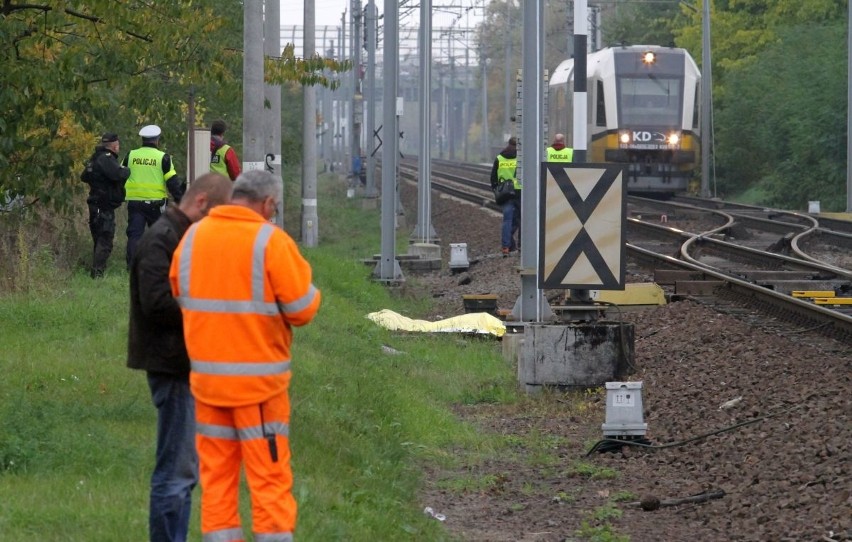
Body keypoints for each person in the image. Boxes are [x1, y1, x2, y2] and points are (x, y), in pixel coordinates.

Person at [169, 169, 321, 542]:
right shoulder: (270, 241)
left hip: (207, 387)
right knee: (268, 481)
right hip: (258, 388)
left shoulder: (192, 238)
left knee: (216, 482)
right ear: (268, 203)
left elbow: (178, 292)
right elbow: (302, 309)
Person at [128, 172, 233, 542]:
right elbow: (155, 302)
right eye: (215, 216)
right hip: (170, 365)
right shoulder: (161, 238)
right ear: (202, 203)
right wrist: (207, 308)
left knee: (185, 471)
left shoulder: (183, 235)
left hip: (187, 364)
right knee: (175, 472)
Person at [123, 124, 185, 268]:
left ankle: (132, 266)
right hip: (155, 205)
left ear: (142, 139)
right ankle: (159, 263)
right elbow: (172, 182)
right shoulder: (163, 157)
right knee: (159, 234)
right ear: (157, 140)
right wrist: (181, 200)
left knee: (134, 235)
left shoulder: (131, 155)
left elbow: (121, 174)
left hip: (134, 202)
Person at [81, 132, 130, 278]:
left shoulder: (96, 158)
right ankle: (97, 273)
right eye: (118, 145)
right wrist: (127, 170)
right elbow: (119, 174)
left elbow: (84, 176)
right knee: (105, 239)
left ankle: (96, 272)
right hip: (103, 205)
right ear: (115, 146)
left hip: (96, 203)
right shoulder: (106, 159)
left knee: (99, 238)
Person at [490, 136, 521, 257]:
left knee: (507, 220)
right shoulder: (521, 158)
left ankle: (506, 247)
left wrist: (497, 190)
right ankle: (521, 245)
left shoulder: (499, 158)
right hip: (520, 191)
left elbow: (493, 178)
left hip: (505, 194)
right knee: (521, 220)